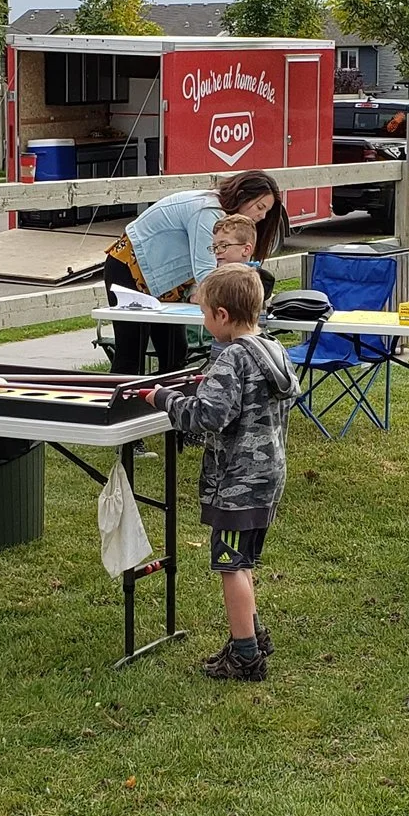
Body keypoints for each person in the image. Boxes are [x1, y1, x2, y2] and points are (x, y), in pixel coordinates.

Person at [143, 265, 298, 681]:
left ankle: (246, 656)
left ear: (223, 315)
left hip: (237, 483)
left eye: (205, 314)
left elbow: (207, 417)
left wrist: (163, 398)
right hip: (269, 475)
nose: (204, 322)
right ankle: (251, 634)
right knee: (243, 560)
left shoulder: (232, 357)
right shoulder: (274, 349)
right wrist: (210, 382)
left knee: (231, 566)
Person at [103, 169, 284, 374]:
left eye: (267, 211)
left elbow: (206, 274)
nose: (262, 216)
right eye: (260, 207)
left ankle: (165, 402)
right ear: (243, 195)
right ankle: (120, 405)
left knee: (175, 352)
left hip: (165, 283)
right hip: (127, 269)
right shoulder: (207, 212)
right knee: (131, 352)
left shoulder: (220, 215)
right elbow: (206, 273)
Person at [211, 212, 278, 299]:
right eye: (214, 246)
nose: (217, 251)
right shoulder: (214, 279)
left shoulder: (257, 284)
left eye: (224, 246)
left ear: (246, 250)